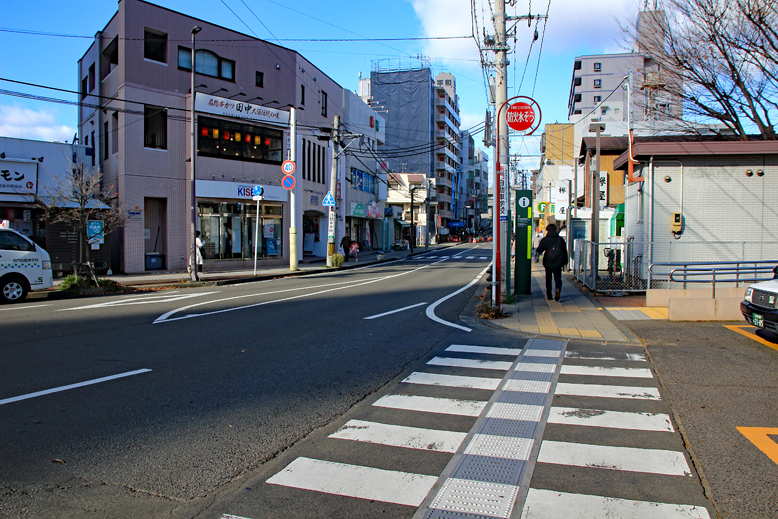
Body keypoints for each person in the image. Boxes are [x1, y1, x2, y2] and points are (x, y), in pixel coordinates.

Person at [535, 223, 568, 301]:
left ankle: (549, 295)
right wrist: (565, 262)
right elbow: (564, 251)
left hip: (548, 262)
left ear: (547, 230)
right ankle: (557, 289)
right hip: (558, 262)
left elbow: (539, 250)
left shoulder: (545, 239)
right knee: (558, 279)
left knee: (548, 279)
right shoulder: (560, 239)